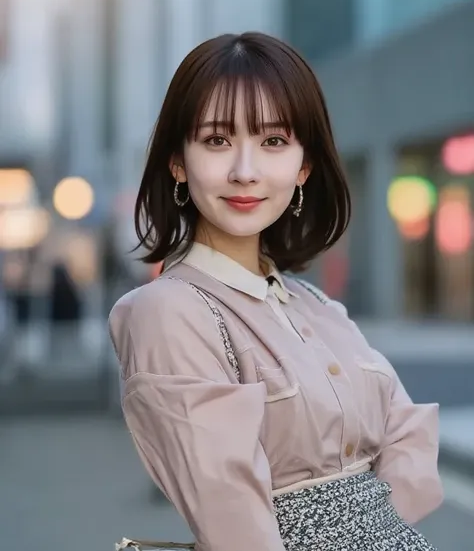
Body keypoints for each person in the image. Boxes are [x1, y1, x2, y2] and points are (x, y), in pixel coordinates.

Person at [109, 32, 442, 551]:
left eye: (273, 142)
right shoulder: (168, 312)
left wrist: (361, 528)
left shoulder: (317, 306)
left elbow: (410, 436)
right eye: (217, 141)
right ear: (178, 161)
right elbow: (230, 514)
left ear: (303, 166)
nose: (245, 172)